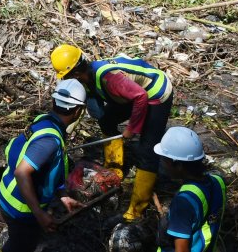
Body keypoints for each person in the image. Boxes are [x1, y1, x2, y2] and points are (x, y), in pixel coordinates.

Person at [51, 44, 174, 222]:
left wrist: (132, 128)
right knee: (106, 121)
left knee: (147, 152)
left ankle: (136, 210)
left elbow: (141, 97)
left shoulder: (109, 79)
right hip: (130, 93)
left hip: (155, 93)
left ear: (76, 74)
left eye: (66, 77)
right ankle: (114, 169)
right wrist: (62, 134)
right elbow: (80, 110)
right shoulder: (87, 79)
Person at [0, 80, 87, 252]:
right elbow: (22, 173)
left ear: (54, 102)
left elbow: (46, 167)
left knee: (16, 241)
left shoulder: (43, 121)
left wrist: (62, 195)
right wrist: (39, 213)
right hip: (21, 209)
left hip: (7, 194)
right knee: (20, 246)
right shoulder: (50, 140)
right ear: (78, 111)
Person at [154, 127, 226, 252]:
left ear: (178, 165)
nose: (162, 164)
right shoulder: (217, 182)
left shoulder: (183, 202)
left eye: (165, 160)